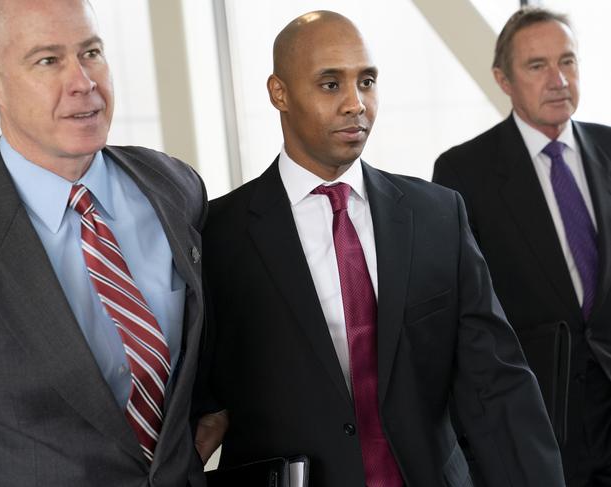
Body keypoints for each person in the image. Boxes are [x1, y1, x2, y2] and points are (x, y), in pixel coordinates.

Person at [201, 10, 565, 487]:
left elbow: (497, 386)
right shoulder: (217, 235)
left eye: (367, 81)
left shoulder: (438, 216)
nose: (356, 103)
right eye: (331, 84)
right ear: (279, 93)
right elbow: (202, 407)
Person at [0, 0, 217, 485]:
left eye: (92, 52)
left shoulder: (175, 187)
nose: (83, 82)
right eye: (48, 60)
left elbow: (206, 346)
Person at [433, 7, 611, 486]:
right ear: (503, 79)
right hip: (538, 419)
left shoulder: (610, 148)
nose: (558, 79)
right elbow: (463, 319)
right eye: (537, 66)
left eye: (567, 61)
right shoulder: (463, 172)